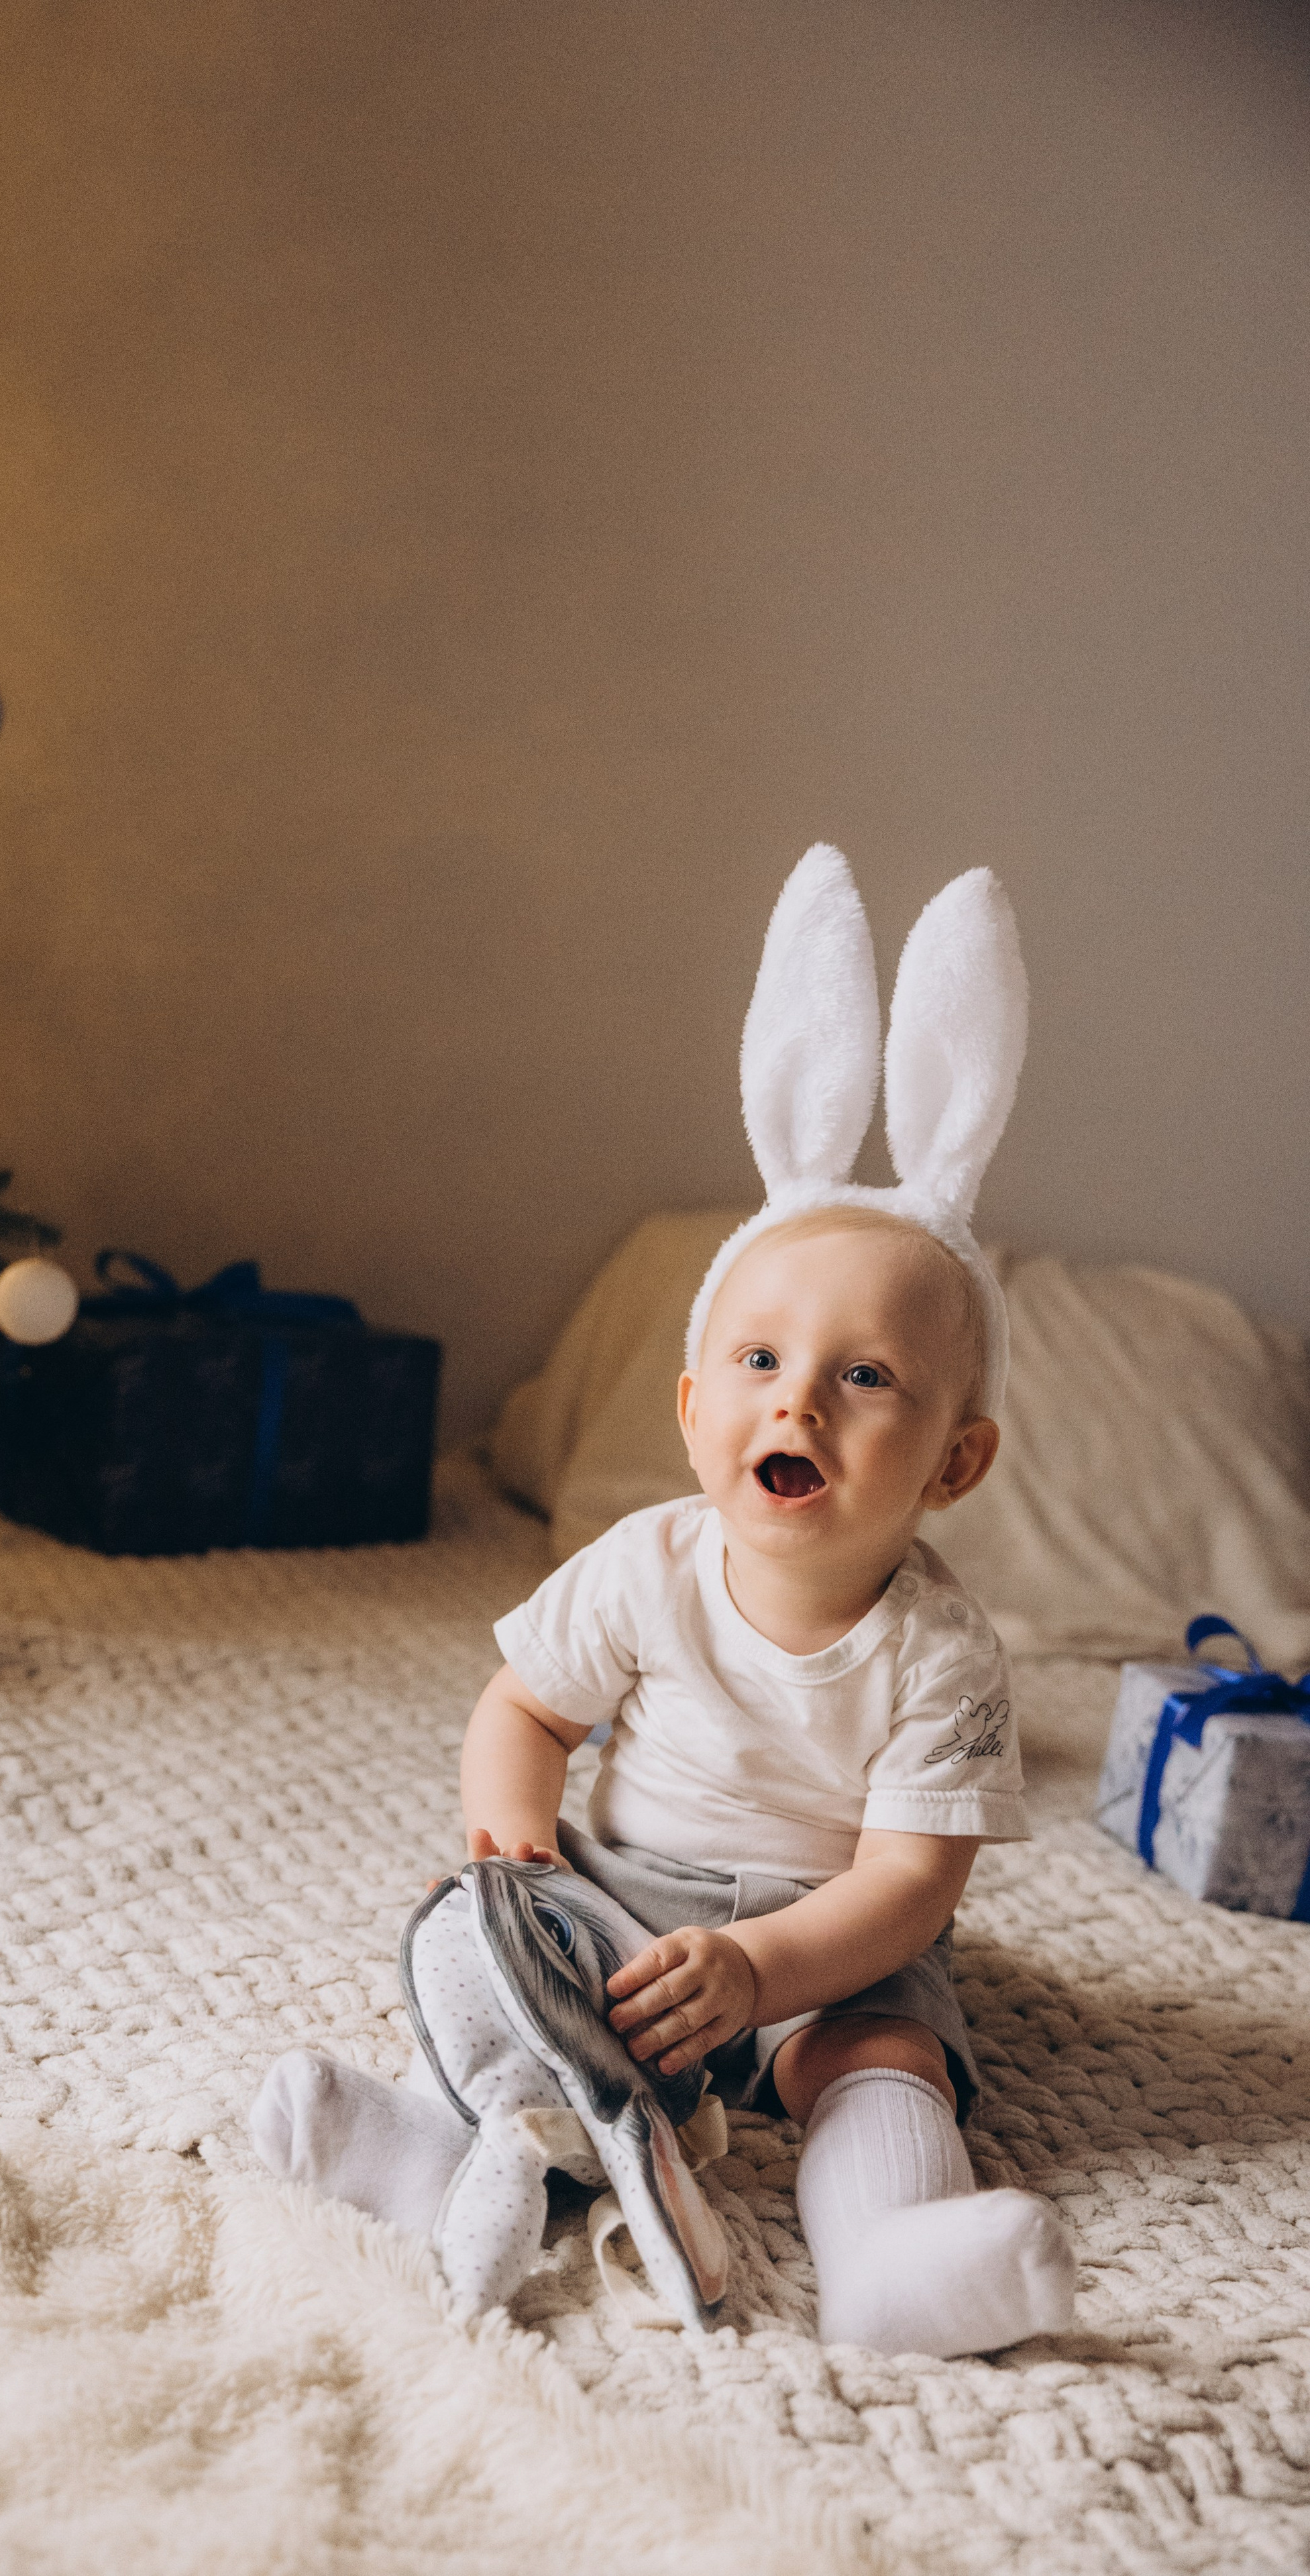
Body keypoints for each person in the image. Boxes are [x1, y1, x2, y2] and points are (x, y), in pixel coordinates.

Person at [254, 845, 1077, 2357]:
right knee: (507, 1998)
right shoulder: (646, 1564)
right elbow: (526, 1707)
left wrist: (767, 1971)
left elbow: (910, 1883)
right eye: (760, 1363)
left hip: (824, 1940)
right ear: (697, 1405)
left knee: (882, 2058)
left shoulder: (941, 1650)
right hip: (621, 1895)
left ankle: (887, 2256)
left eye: (865, 1376)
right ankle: (425, 2161)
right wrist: (512, 1850)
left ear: (954, 1462)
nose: (801, 1401)